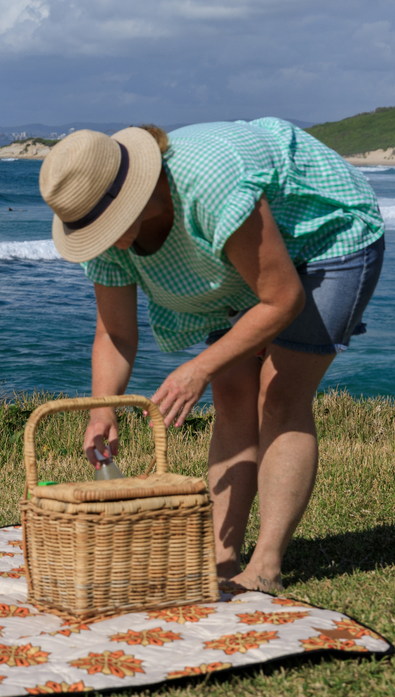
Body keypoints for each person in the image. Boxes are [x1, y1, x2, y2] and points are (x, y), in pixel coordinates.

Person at [39, 119, 384, 594]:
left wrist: (197, 368)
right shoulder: (105, 237)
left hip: (327, 235)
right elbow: (116, 333)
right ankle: (223, 560)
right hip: (238, 266)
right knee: (232, 393)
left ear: (132, 197)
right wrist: (103, 411)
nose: (101, 237)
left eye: (105, 225)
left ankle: (266, 566)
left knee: (279, 393)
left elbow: (282, 298)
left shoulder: (211, 185)